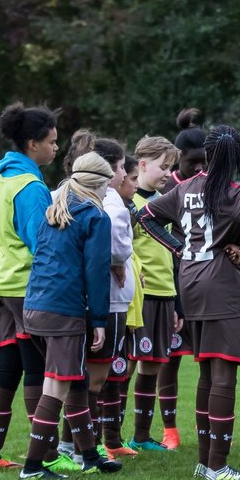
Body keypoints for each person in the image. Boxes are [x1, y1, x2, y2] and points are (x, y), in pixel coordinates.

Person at [138, 125, 240, 480]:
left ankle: (205, 461)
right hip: (221, 288)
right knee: (224, 375)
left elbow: (146, 216)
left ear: (208, 154)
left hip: (189, 286)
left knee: (204, 373)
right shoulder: (234, 190)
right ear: (237, 157)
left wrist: (177, 247)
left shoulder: (184, 187)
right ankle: (218, 466)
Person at [17, 152, 124, 480]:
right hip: (64, 312)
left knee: (74, 381)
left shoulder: (55, 208)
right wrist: (100, 322)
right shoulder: (96, 216)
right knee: (57, 387)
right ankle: (33, 467)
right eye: (107, 185)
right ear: (98, 184)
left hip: (34, 307)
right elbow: (96, 272)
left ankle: (90, 456)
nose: (108, 192)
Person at [0, 103, 59, 471]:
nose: (57, 148)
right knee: (37, 365)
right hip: (23, 284)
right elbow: (40, 241)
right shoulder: (30, 186)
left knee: (8, 364)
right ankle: (47, 456)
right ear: (32, 144)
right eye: (52, 142)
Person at [154, 107, 208, 450]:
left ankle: (209, 427)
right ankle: (169, 429)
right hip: (172, 287)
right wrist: (178, 248)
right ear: (178, 161)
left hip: (206, 284)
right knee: (169, 360)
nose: (200, 169)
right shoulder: (170, 190)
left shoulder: (212, 184)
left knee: (209, 360)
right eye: (193, 163)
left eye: (206, 162)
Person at [125, 136, 181, 452]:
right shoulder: (129, 204)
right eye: (163, 166)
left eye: (171, 167)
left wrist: (176, 303)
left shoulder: (163, 201)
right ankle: (112, 437)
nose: (167, 173)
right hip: (140, 297)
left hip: (164, 294)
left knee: (153, 364)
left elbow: (169, 254)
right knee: (129, 363)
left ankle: (142, 436)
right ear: (143, 164)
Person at [96, 148, 139, 458]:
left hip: (107, 299)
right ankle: (83, 444)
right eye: (123, 168)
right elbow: (117, 250)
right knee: (96, 375)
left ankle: (103, 441)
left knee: (106, 372)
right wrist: (117, 260)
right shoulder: (114, 206)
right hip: (109, 301)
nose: (125, 175)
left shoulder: (66, 193)